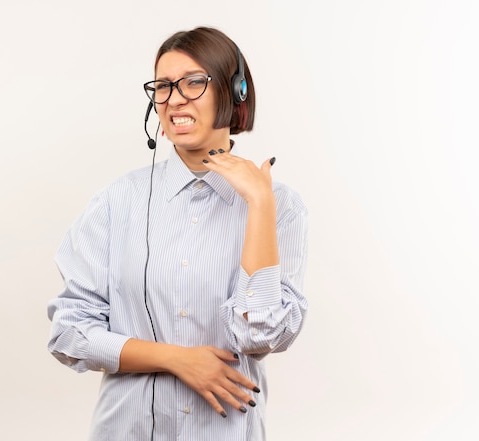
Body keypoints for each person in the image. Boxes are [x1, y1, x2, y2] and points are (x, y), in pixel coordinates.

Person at [47, 26, 308, 441]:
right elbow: (70, 333)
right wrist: (176, 359)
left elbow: (261, 335)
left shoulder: (281, 207)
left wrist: (258, 206)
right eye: (164, 87)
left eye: (193, 82)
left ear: (235, 92)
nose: (174, 99)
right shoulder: (117, 201)